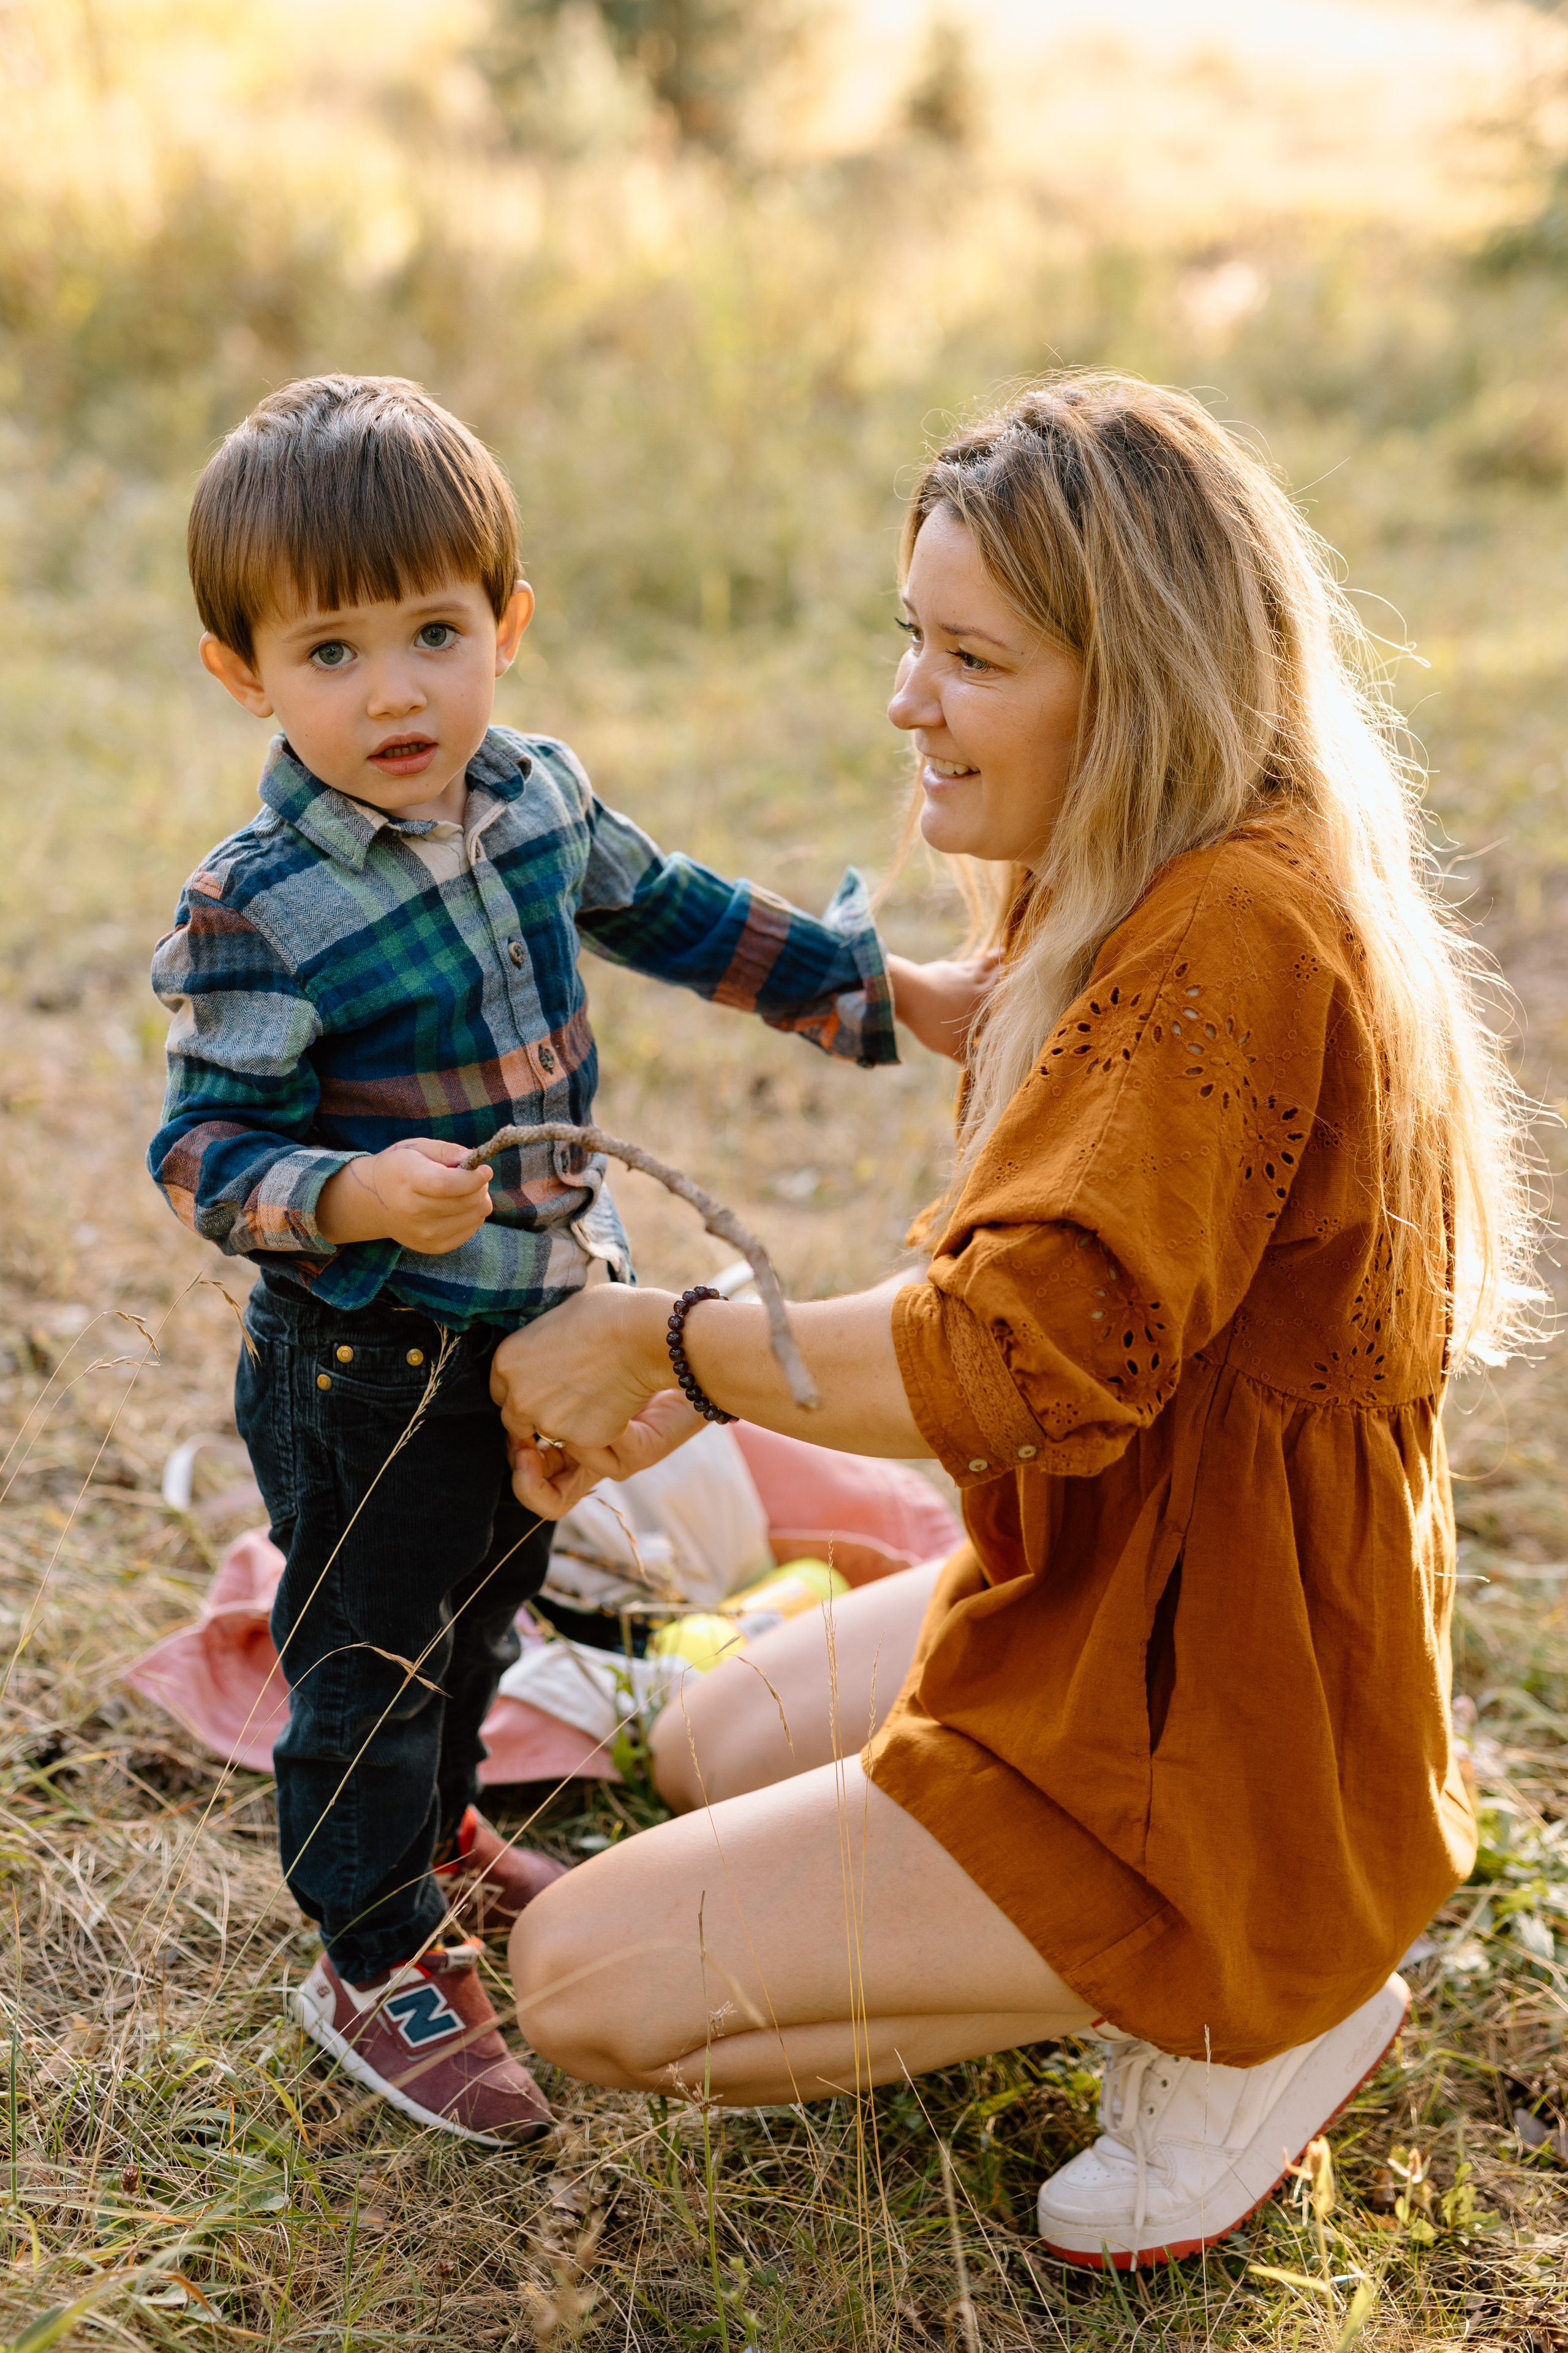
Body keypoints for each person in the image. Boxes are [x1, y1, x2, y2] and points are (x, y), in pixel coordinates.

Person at [488, 372, 1532, 2265]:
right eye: (915, 635)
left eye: (971, 656)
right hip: (1127, 1579)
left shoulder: (1236, 939)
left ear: (1132, 682)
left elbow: (1014, 1355)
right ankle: (1136, 1915)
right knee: (720, 1739)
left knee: (577, 1981)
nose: (911, 698)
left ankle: (1241, 2000)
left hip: (1213, 1703)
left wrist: (672, 1343)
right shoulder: (1174, 861)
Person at [146, 373, 988, 2147]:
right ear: (245, 671)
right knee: (367, 1642)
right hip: (364, 1351)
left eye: (435, 632)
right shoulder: (259, 905)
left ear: (505, 629)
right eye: (331, 652)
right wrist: (358, 1192)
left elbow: (675, 908)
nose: (394, 691)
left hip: (539, 1318)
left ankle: (440, 1828)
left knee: (482, 1602)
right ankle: (369, 1949)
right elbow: (204, 1153)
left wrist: (881, 989)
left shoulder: (532, 801)